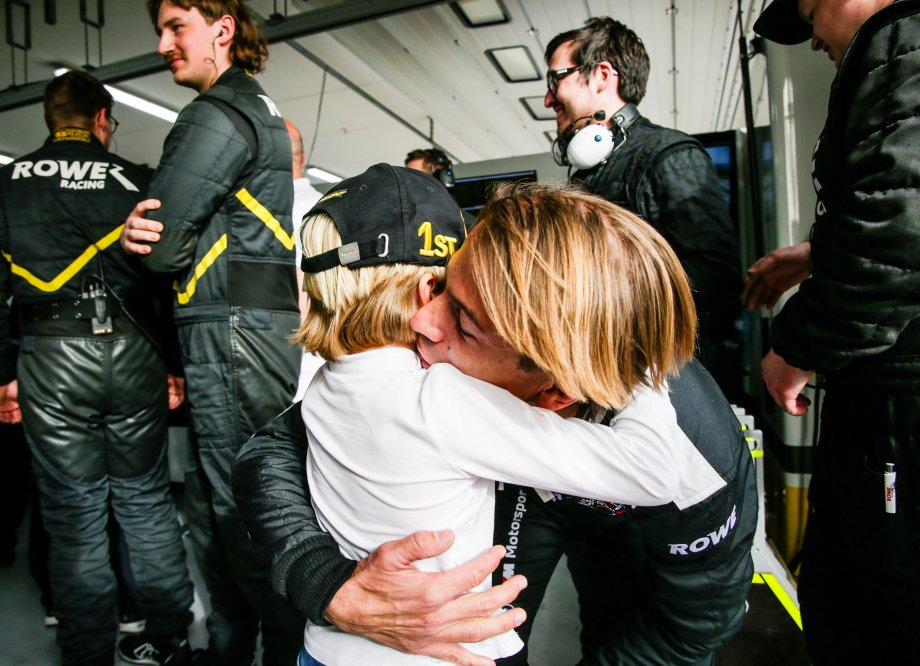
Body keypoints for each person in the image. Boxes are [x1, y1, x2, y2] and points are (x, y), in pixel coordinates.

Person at [234, 182, 757, 665]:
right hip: (537, 503)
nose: (421, 319)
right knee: (483, 632)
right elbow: (274, 446)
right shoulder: (436, 359)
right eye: (442, 286)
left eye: (463, 325)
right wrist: (324, 579)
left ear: (556, 392)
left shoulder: (693, 456)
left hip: (642, 537)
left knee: (611, 617)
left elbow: (691, 627)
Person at [0, 70, 193, 666]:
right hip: (134, 352)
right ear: (102, 120)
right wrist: (171, 363)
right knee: (145, 502)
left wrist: (0, 374)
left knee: (73, 516)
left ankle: (86, 651)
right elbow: (167, 283)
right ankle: (170, 636)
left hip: (48, 355)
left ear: (51, 118)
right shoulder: (140, 181)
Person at [118, 1, 303, 663]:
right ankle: (238, 647)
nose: (163, 44)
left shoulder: (214, 114)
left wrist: (131, 238)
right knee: (220, 504)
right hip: (249, 328)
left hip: (227, 331)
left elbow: (161, 248)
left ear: (222, 29)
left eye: (177, 27)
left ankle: (278, 648)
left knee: (236, 510)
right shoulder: (259, 110)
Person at [747, 0, 920, 662]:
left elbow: (900, 232)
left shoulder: (903, 46)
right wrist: (819, 254)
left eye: (808, 12)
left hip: (899, 405)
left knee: (881, 611)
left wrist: (795, 345)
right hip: (886, 399)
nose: (814, 39)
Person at [545, 17, 743, 400]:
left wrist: (596, 298)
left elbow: (717, 276)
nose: (548, 99)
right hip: (603, 380)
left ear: (602, 75)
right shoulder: (587, 176)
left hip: (661, 389)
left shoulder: (670, 155)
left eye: (556, 80)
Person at [286, 118, 325, 401]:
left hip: (296, 365)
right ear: (303, 157)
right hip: (327, 361)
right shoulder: (326, 203)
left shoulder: (283, 213)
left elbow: (302, 295)